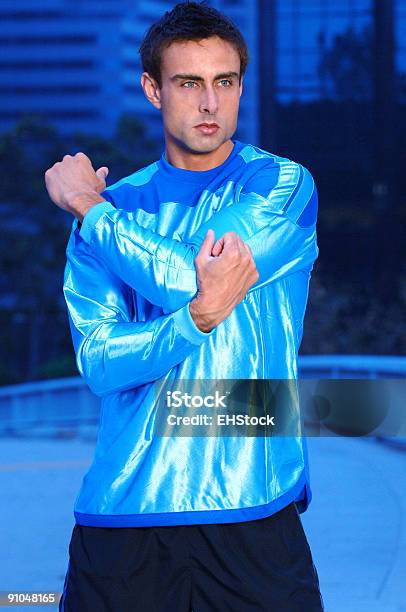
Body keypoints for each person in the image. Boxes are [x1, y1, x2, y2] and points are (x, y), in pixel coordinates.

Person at [45, 2, 324, 610]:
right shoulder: (114, 205)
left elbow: (186, 277)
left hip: (254, 500)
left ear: (241, 87)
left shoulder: (281, 185)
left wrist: (89, 212)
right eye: (189, 82)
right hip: (126, 509)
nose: (209, 103)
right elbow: (101, 365)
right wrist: (196, 321)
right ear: (152, 89)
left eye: (224, 82)